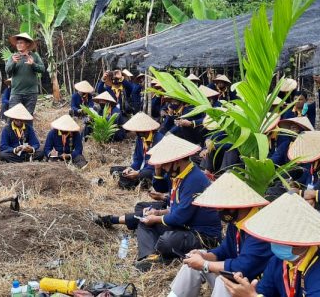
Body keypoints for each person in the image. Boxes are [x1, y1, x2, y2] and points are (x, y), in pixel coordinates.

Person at [222, 192, 320, 297]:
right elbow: (264, 291)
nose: (273, 241)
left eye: (280, 237)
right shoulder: (279, 262)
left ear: (302, 242)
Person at [168, 173, 272, 297]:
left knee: (224, 282)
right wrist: (203, 256)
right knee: (192, 264)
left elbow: (243, 266)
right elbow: (224, 250)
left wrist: (204, 264)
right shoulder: (236, 223)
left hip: (253, 289)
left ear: (233, 206)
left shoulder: (260, 227)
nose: (217, 210)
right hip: (239, 277)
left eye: (219, 207)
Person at [135, 135, 221, 271]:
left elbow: (179, 217)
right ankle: (150, 256)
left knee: (167, 240)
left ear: (178, 161)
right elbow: (165, 194)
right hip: (185, 227)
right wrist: (157, 213)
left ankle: (159, 254)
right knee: (144, 222)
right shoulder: (178, 174)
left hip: (203, 235)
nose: (163, 167)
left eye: (165, 163)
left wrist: (156, 218)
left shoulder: (195, 179)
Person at [110, 112, 163, 190]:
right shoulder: (140, 138)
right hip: (142, 167)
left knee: (143, 174)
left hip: (154, 170)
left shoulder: (159, 139)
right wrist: (130, 168)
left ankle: (141, 182)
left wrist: (138, 173)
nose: (136, 132)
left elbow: (155, 166)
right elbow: (138, 159)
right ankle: (136, 181)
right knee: (115, 170)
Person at [5, 33, 44, 116]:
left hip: (31, 93)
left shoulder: (35, 56)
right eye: (17, 43)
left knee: (28, 117)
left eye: (21, 43)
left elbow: (42, 69)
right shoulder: (13, 57)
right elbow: (7, 71)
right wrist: (13, 62)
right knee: (13, 117)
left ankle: (28, 130)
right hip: (16, 92)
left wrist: (33, 64)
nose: (18, 45)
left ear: (27, 44)